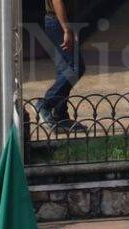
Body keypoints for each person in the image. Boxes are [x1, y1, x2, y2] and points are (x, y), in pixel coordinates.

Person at [37, 0, 87, 133]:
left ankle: (60, 116)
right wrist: (66, 29)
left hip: (62, 20)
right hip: (57, 21)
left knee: (65, 70)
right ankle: (46, 103)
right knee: (75, 67)